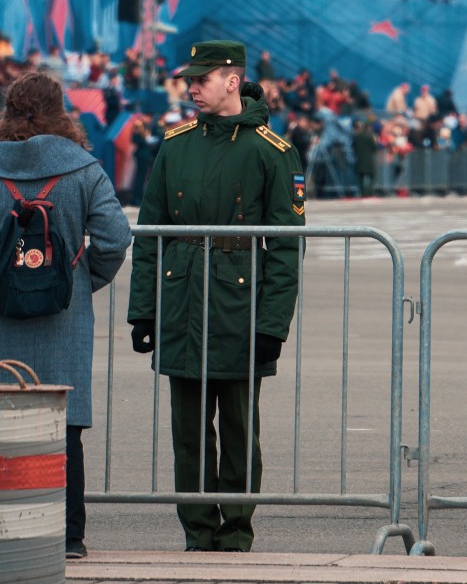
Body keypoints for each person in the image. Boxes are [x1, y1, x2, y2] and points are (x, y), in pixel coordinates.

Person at [0, 72, 133, 559]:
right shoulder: (84, 168)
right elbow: (114, 237)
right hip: (63, 314)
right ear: (60, 109)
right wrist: (82, 280)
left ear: (8, 108)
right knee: (63, 423)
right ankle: (69, 536)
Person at [128, 40, 303, 552]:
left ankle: (235, 533)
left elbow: (286, 251)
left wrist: (273, 325)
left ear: (232, 80)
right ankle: (198, 532)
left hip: (237, 304)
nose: (191, 88)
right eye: (190, 80)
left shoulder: (271, 151)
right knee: (188, 433)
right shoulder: (175, 144)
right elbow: (149, 234)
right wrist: (144, 311)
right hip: (181, 299)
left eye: (201, 79)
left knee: (238, 429)